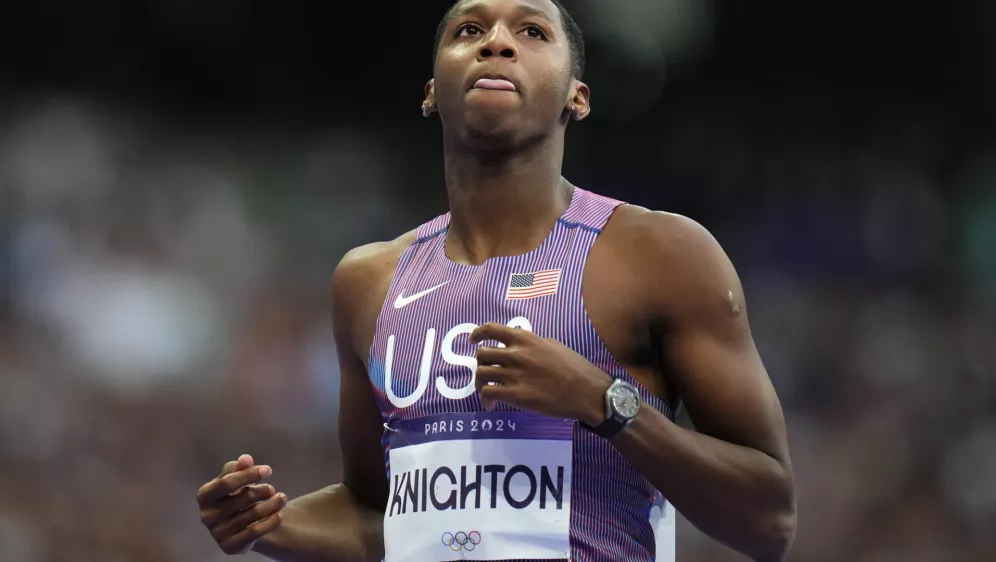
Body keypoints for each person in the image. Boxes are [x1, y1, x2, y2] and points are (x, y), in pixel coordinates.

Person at [195, 0, 797, 560]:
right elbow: (379, 512)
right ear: (432, 92)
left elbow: (769, 522)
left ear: (577, 97)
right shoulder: (368, 280)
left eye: (532, 31)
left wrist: (603, 402)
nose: (497, 43)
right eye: (470, 30)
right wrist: (270, 524)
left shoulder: (658, 253)